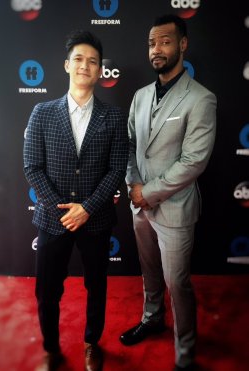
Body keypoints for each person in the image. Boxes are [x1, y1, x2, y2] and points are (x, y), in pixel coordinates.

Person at [23, 30, 129, 371]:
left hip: (95, 219)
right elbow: (32, 167)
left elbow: (116, 170)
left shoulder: (113, 117)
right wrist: (62, 210)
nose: (86, 65)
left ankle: (90, 343)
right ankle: (51, 349)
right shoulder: (42, 112)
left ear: (100, 71)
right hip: (53, 220)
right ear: (68, 65)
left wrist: (86, 208)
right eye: (79, 59)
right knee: (47, 291)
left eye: (93, 61)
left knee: (96, 286)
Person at [119, 14, 217, 371]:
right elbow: (129, 146)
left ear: (183, 44)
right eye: (151, 44)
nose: (156, 50)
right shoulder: (141, 96)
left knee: (178, 283)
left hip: (174, 208)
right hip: (139, 204)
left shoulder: (201, 99)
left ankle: (185, 353)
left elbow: (194, 161)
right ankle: (152, 317)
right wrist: (134, 186)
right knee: (149, 272)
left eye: (164, 42)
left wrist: (150, 192)